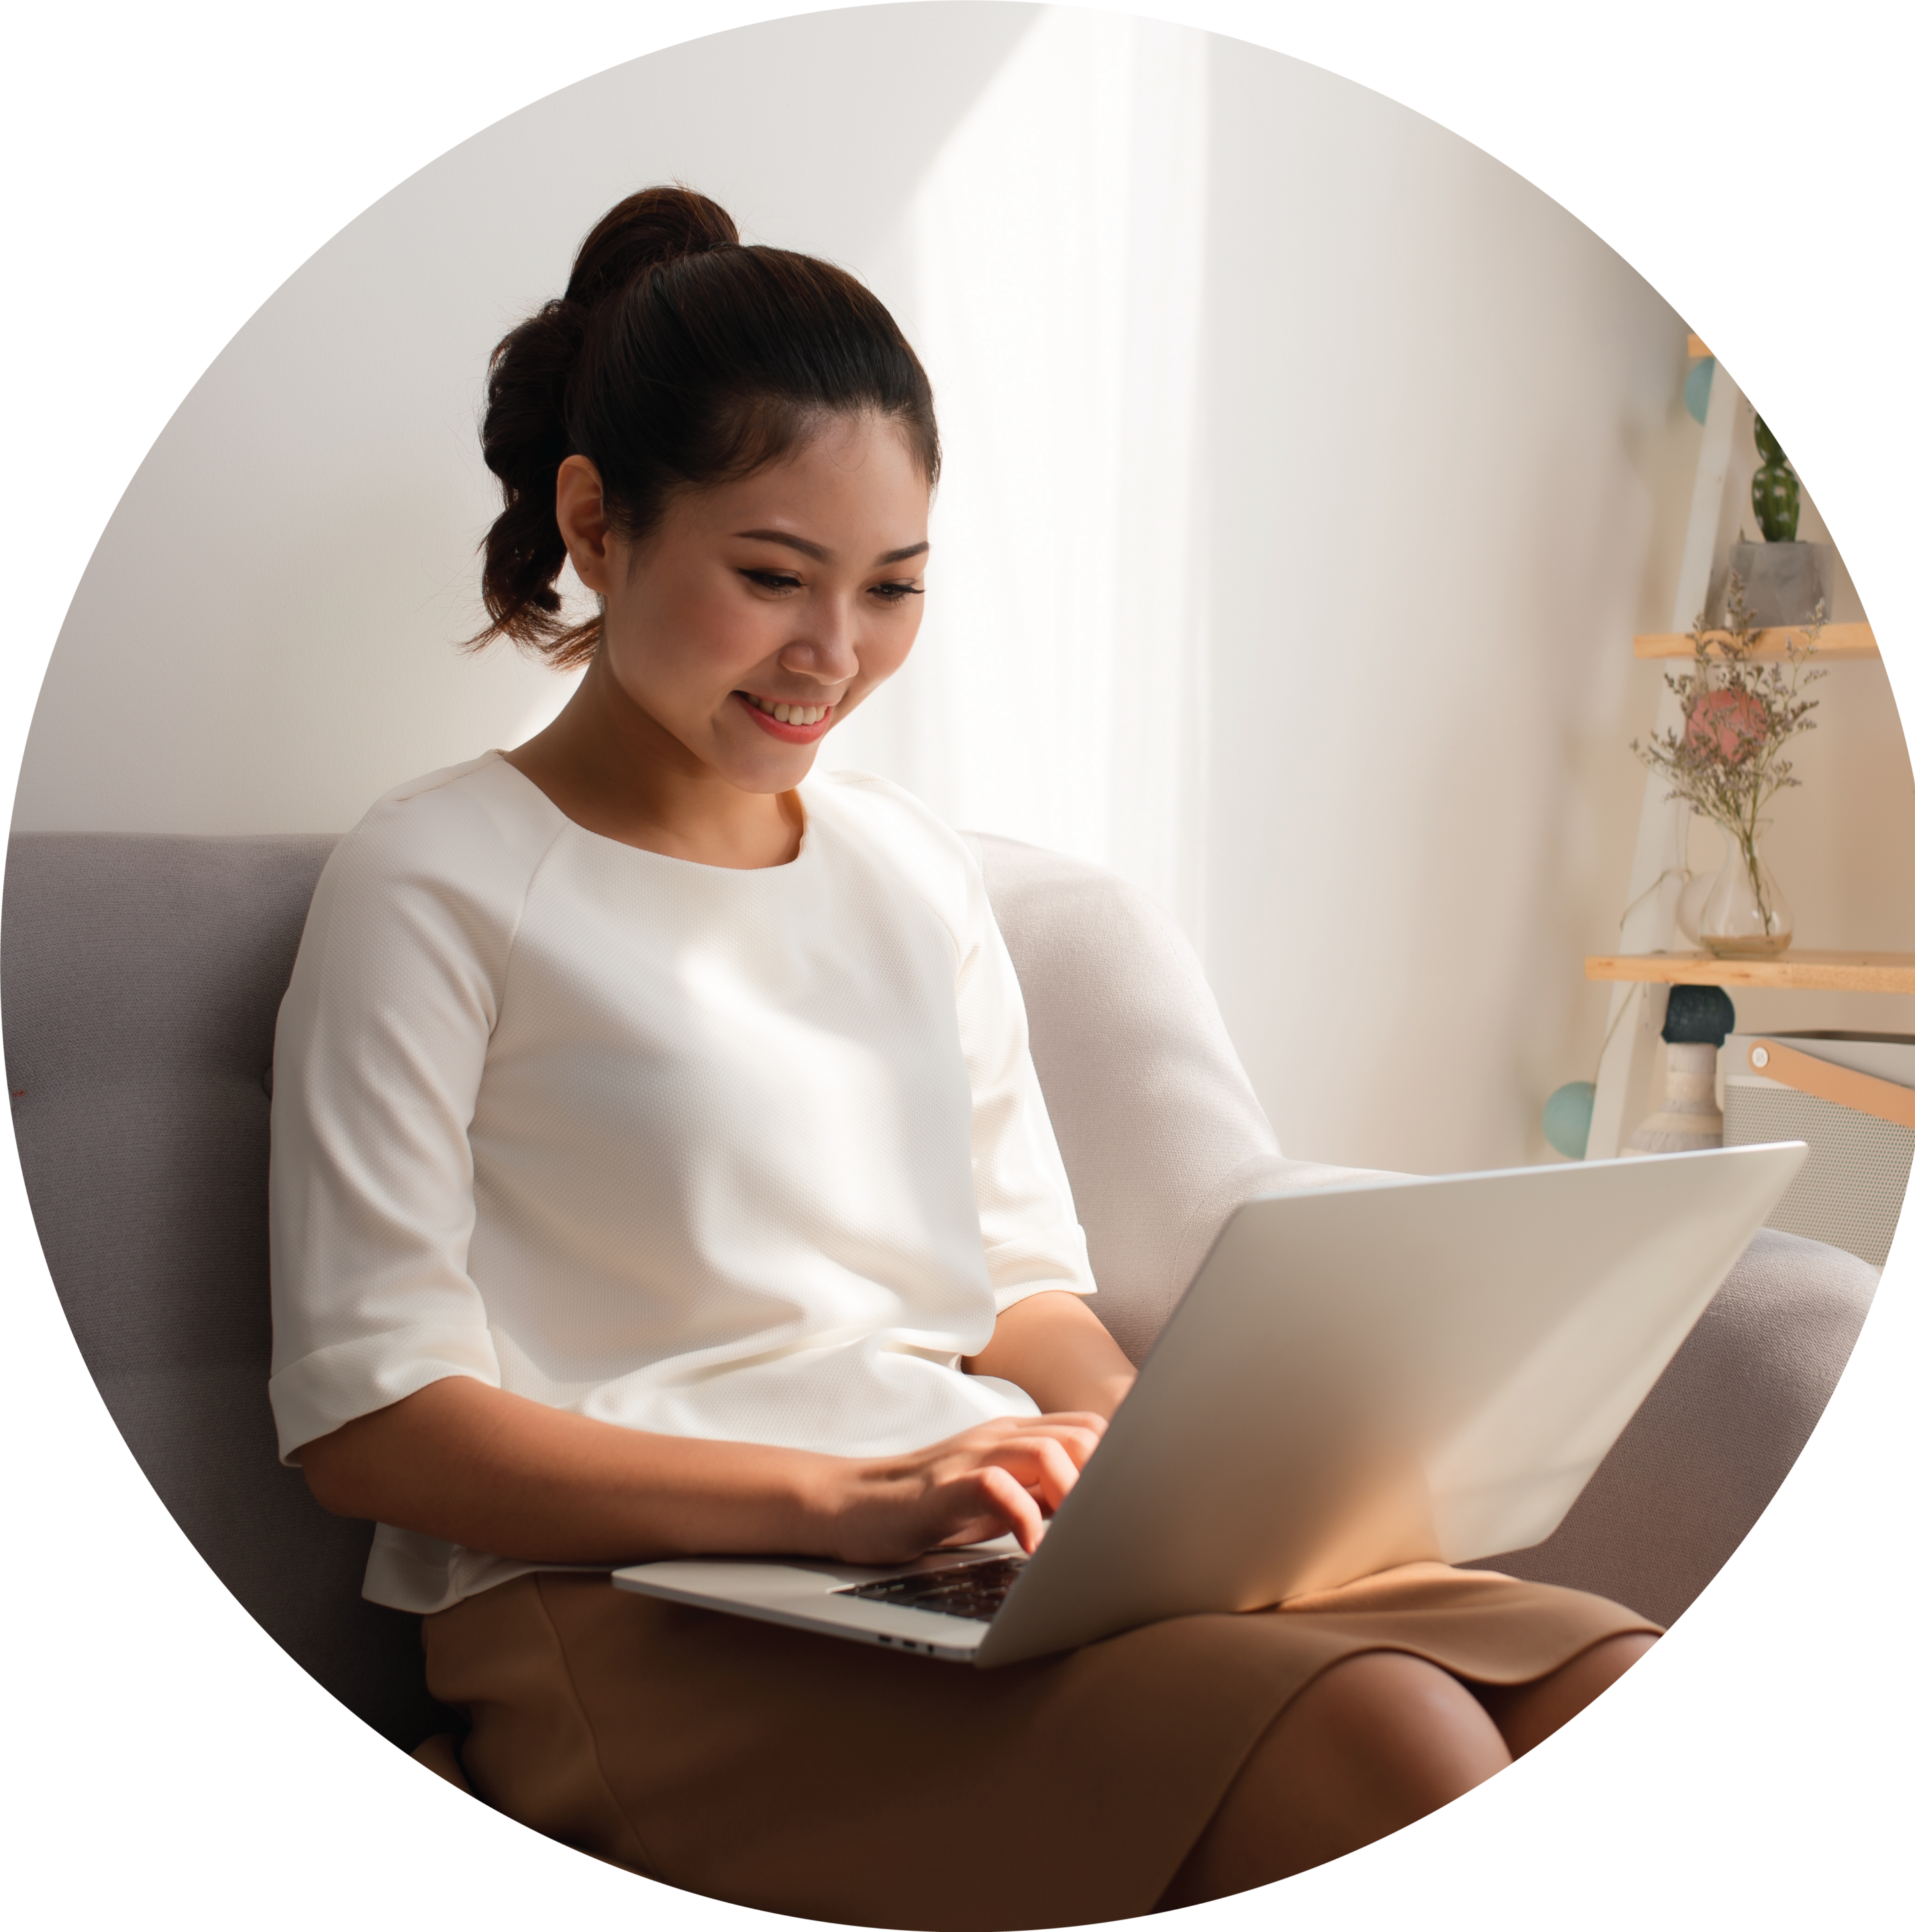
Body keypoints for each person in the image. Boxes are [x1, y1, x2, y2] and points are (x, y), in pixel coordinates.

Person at [270, 187, 1657, 1924]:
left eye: (891, 587)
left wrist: (1150, 1461)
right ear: (598, 524)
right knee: (1382, 1741)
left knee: (1599, 1664)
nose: (832, 656)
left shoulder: (911, 870)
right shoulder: (435, 878)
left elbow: (1020, 1292)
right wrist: (844, 1500)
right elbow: (372, 1424)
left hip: (959, 1559)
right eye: (772, 577)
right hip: (631, 1609)